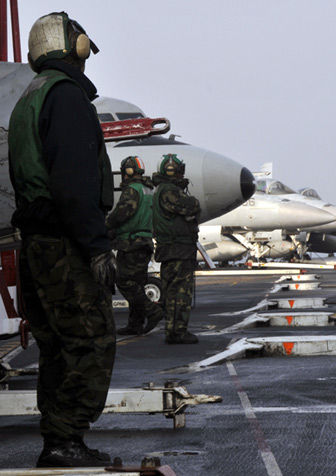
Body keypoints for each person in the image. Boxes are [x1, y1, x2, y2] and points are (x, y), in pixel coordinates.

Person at [8, 12, 116, 468]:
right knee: (91, 340)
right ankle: (65, 438)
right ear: (70, 44)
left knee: (58, 344)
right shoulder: (67, 97)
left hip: (36, 242)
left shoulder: (30, 96)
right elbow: (74, 184)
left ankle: (59, 439)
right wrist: (96, 247)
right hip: (63, 242)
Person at [106, 156, 164, 335]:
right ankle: (135, 324)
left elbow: (122, 213)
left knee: (124, 282)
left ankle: (152, 310)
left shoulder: (132, 190)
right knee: (137, 283)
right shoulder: (149, 189)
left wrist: (106, 226)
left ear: (128, 171)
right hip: (144, 241)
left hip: (131, 243)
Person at [152, 154, 200, 344]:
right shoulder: (169, 190)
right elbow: (189, 206)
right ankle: (178, 332)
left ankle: (172, 330)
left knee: (171, 291)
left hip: (170, 249)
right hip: (179, 249)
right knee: (180, 292)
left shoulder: (161, 189)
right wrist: (194, 203)